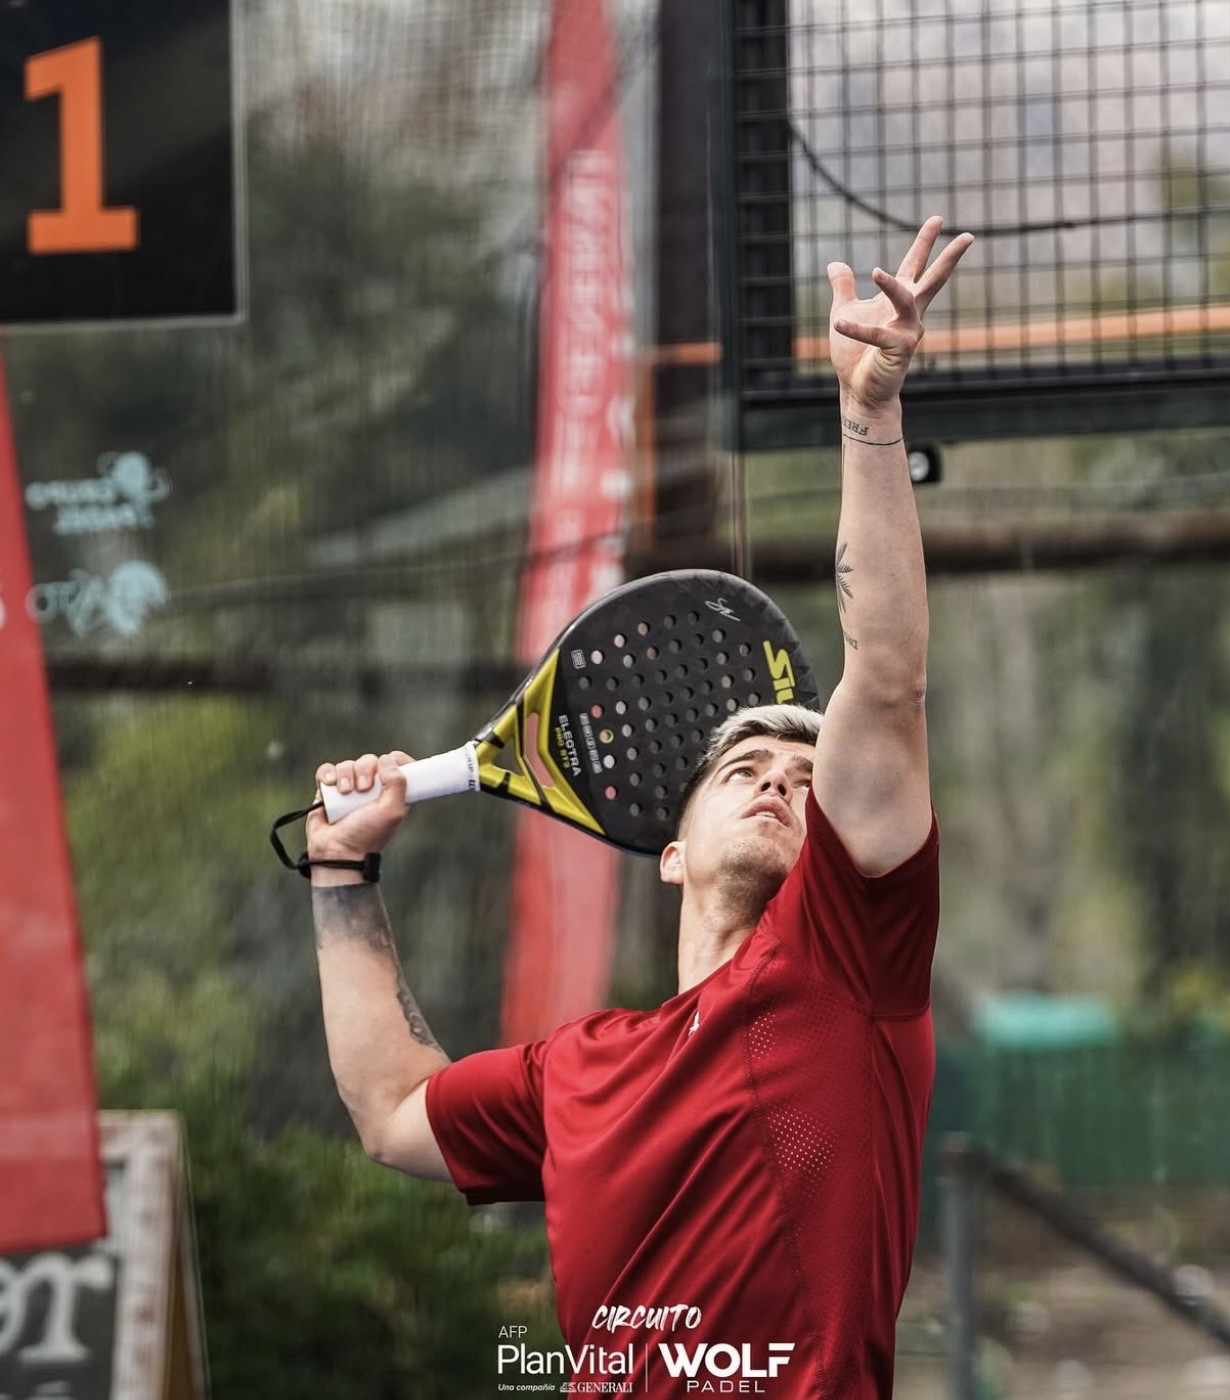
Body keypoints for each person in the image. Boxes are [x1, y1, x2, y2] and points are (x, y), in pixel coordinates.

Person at [306, 216, 973, 1398]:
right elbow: (392, 1106)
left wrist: (868, 412)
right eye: (744, 766)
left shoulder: (848, 965)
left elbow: (886, 675)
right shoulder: (576, 1072)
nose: (782, 779)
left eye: (807, 777)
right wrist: (341, 873)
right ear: (669, 851)